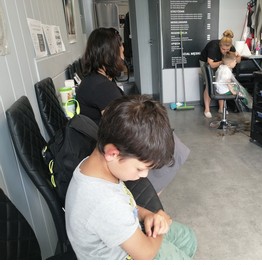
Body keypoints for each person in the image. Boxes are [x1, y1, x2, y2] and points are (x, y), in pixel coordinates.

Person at [65, 95, 197, 260]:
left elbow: (125, 205)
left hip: (129, 231)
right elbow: (146, 254)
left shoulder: (97, 166)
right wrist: (160, 228)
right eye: (140, 168)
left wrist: (146, 215)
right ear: (112, 153)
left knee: (188, 238)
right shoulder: (104, 202)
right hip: (130, 257)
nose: (144, 175)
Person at [76, 27, 190, 194]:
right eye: (121, 53)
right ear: (110, 54)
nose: (123, 58)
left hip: (99, 140)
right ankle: (147, 194)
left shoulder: (94, 81)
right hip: (107, 144)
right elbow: (122, 128)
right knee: (172, 146)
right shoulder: (102, 88)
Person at [199, 29, 241, 118]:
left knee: (223, 83)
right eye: (223, 49)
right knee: (209, 84)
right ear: (220, 45)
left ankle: (221, 108)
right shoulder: (213, 47)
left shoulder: (231, 48)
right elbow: (211, 64)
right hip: (207, 63)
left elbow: (237, 60)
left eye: (227, 49)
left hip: (222, 64)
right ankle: (207, 109)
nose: (225, 51)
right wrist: (223, 62)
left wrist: (238, 56)